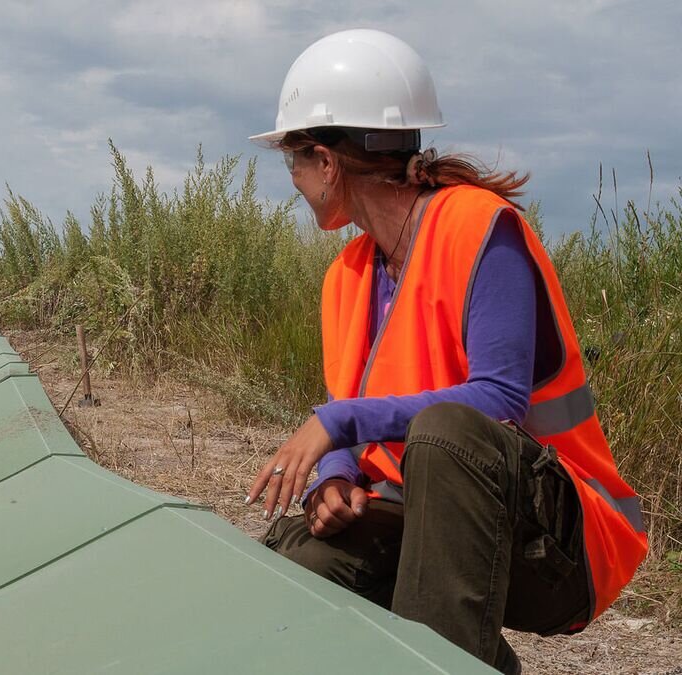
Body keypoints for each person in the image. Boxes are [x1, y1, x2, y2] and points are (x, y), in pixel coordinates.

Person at [244, 29, 645, 674]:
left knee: (446, 431)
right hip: (436, 528)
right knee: (308, 562)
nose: (292, 181)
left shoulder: (480, 228)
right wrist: (336, 475)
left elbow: (498, 400)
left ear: (326, 161)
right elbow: (351, 405)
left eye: (292, 162)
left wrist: (337, 424)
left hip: (565, 545)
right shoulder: (346, 276)